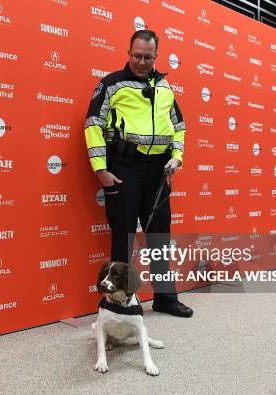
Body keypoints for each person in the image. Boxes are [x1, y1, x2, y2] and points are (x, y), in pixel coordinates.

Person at [84, 30, 193, 317]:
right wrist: (101, 171)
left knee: (159, 237)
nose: (142, 62)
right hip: (125, 170)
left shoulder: (165, 88)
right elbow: (93, 124)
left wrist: (176, 157)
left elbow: (179, 127)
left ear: (157, 56)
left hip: (158, 172)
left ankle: (165, 298)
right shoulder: (112, 85)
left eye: (148, 57)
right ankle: (118, 304)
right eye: (137, 56)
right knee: (124, 237)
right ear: (128, 52)